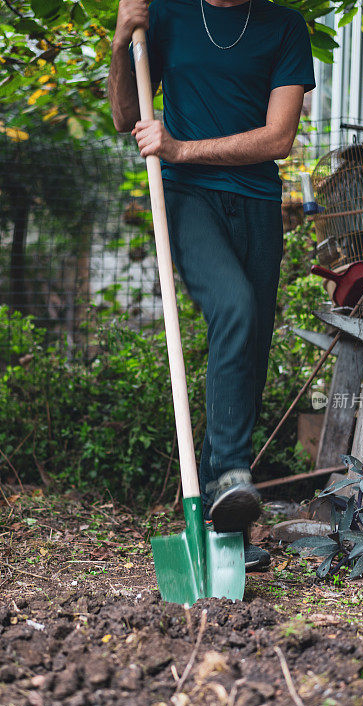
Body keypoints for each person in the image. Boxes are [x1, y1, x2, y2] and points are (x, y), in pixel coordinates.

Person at [109, 0, 315, 570]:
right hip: (185, 196)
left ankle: (226, 531)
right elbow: (127, 116)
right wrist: (122, 35)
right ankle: (229, 472)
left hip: (256, 204)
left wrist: (181, 145)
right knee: (234, 305)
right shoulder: (167, 16)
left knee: (248, 348)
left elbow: (278, 138)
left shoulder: (282, 26)